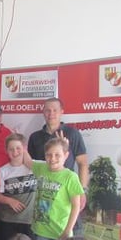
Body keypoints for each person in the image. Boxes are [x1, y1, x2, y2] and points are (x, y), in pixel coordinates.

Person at [23, 138, 84, 240]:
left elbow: (76, 206)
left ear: (66, 155)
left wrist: (67, 230)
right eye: (49, 155)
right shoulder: (41, 168)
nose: (53, 158)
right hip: (41, 229)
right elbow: (28, 162)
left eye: (57, 155)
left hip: (61, 231)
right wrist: (22, 145)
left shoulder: (70, 177)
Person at [27, 98, 88, 233]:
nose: (51, 114)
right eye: (47, 110)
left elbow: (83, 163)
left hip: (67, 193)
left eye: (55, 110)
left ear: (62, 112)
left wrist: (82, 190)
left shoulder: (73, 134)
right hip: (44, 195)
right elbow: (30, 166)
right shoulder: (34, 137)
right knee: (44, 233)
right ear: (43, 112)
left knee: (70, 234)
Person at [0, 133, 37, 240]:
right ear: (6, 151)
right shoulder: (2, 171)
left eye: (18, 148)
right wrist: (10, 201)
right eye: (11, 149)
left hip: (29, 220)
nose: (15, 152)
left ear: (24, 148)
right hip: (8, 219)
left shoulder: (35, 167)